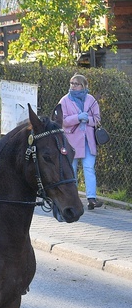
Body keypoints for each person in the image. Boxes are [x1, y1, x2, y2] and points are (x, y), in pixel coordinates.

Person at [59, 74, 103, 210]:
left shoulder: (91, 100)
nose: (73, 86)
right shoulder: (65, 100)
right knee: (71, 170)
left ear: (84, 86)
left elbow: (97, 119)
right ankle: (73, 198)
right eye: (72, 83)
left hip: (88, 141)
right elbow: (62, 121)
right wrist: (77, 117)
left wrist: (88, 120)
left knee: (89, 169)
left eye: (76, 84)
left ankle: (91, 198)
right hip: (71, 141)